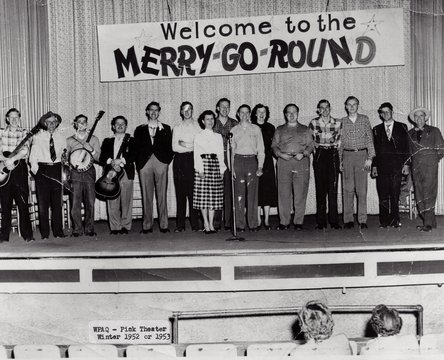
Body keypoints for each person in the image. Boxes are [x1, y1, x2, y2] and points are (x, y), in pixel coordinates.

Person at [271, 104, 314, 231]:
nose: (291, 114)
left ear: (298, 113)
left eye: (294, 112)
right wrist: (280, 154)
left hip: (301, 162)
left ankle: (298, 221)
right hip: (284, 162)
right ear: (285, 114)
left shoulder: (305, 129)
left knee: (300, 193)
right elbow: (274, 146)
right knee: (283, 193)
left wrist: (304, 153)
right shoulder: (279, 129)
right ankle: (284, 221)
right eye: (288, 112)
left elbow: (311, 145)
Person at [134, 102, 174, 233]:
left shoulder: (166, 128)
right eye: (151, 110)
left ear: (159, 112)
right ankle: (147, 226)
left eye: (156, 110)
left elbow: (170, 147)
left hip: (161, 163)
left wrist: (166, 162)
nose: (153, 112)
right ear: (147, 112)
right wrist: (140, 164)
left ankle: (164, 225)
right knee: (147, 195)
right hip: (145, 164)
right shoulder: (139, 129)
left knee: (162, 194)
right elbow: (136, 149)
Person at [372, 103, 410, 228]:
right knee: (382, 194)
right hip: (382, 167)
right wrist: (374, 166)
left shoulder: (402, 127)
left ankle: (395, 220)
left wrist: (406, 164)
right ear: (380, 114)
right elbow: (374, 150)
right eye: (382, 112)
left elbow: (406, 148)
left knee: (395, 194)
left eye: (387, 111)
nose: (385, 114)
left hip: (397, 167)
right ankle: (384, 221)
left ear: (392, 112)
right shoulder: (376, 129)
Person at [29, 111, 66, 240]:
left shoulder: (61, 136)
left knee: (57, 203)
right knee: (43, 204)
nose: (51, 124)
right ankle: (45, 233)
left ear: (57, 123)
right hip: (42, 169)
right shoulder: (38, 136)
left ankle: (58, 232)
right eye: (49, 122)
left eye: (54, 122)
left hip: (56, 169)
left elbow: (63, 154)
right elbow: (32, 156)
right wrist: (37, 172)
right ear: (45, 123)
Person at [339, 96, 375, 229]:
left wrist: (370, 157)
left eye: (354, 104)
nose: (352, 107)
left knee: (362, 190)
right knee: (347, 189)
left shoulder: (364, 119)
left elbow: (369, 139)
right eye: (349, 104)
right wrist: (340, 160)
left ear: (358, 105)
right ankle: (348, 219)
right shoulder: (341, 122)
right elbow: (340, 143)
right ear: (346, 106)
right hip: (347, 156)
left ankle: (362, 220)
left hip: (362, 155)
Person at [0, 108, 34, 242]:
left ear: (19, 118)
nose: (14, 120)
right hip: (4, 168)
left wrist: (13, 159)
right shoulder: (1, 132)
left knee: (23, 202)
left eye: (16, 117)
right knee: (5, 203)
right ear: (7, 118)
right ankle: (4, 236)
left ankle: (27, 235)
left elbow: (25, 150)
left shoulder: (25, 133)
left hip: (20, 169)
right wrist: (5, 160)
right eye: (11, 117)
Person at [407, 107, 444, 232]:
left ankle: (427, 223)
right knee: (419, 194)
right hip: (416, 168)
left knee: (429, 194)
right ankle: (430, 221)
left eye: (421, 116)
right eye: (416, 116)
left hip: (430, 167)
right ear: (414, 119)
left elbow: (441, 150)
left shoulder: (434, 131)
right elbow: (409, 152)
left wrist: (432, 161)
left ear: (425, 117)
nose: (419, 118)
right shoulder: (410, 133)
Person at [99, 115, 135, 235]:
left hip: (126, 172)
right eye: (117, 124)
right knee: (112, 199)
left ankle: (125, 226)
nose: (120, 126)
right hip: (111, 172)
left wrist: (122, 161)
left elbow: (134, 154)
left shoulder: (132, 140)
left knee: (126, 200)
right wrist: (111, 161)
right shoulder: (107, 141)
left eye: (123, 124)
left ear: (126, 126)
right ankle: (115, 227)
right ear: (113, 126)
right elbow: (102, 156)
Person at [230, 104, 264, 232]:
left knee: (253, 195)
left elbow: (261, 149)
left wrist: (260, 166)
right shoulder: (233, 130)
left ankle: (253, 223)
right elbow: (231, 152)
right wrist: (232, 168)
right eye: (242, 112)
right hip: (238, 161)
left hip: (252, 161)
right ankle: (240, 224)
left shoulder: (256, 129)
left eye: (247, 112)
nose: (244, 115)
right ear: (238, 114)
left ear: (250, 114)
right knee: (239, 195)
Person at [66, 114, 101, 237]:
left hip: (89, 172)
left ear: (87, 124)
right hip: (75, 173)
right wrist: (69, 164)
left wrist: (91, 149)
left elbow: (99, 158)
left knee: (90, 201)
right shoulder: (69, 140)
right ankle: (77, 229)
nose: (81, 124)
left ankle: (89, 228)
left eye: (84, 122)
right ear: (75, 124)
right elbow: (65, 157)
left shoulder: (94, 139)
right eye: (79, 122)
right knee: (75, 202)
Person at [309, 100, 342, 230]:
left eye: (327, 107)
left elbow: (340, 141)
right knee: (320, 189)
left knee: (332, 189)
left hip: (333, 154)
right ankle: (321, 222)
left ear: (330, 108)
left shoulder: (338, 122)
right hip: (320, 155)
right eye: (322, 108)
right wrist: (316, 153)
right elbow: (310, 141)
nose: (324, 110)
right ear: (318, 110)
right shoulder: (313, 123)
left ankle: (334, 221)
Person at [193, 110, 225, 234]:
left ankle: (211, 223)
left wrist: (221, 170)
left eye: (212, 119)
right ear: (203, 121)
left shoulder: (218, 136)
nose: (210, 121)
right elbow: (196, 154)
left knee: (213, 197)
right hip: (203, 165)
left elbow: (220, 155)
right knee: (203, 197)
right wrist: (200, 169)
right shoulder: (199, 136)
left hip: (215, 165)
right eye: (207, 119)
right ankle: (205, 222)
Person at [172, 102, 201, 232]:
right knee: (180, 194)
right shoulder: (177, 127)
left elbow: (200, 145)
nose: (187, 111)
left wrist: (185, 144)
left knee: (194, 193)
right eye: (184, 109)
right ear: (181, 112)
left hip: (193, 159)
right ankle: (180, 225)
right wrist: (191, 144)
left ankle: (195, 224)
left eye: (189, 109)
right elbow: (174, 147)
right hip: (179, 161)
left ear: (192, 111)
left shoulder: (198, 127)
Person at [213, 98, 238, 230]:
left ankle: (228, 222)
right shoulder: (212, 122)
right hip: (215, 158)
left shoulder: (234, 123)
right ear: (217, 108)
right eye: (222, 106)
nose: (225, 109)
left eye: (227, 106)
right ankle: (216, 222)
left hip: (229, 156)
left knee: (229, 190)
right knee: (216, 190)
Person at [251, 104, 277, 230]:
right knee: (256, 190)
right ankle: (257, 219)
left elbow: (274, 146)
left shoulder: (271, 127)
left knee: (267, 189)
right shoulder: (251, 127)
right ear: (255, 114)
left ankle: (266, 220)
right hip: (253, 160)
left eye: (264, 112)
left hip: (267, 161)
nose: (261, 114)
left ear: (266, 114)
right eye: (259, 112)